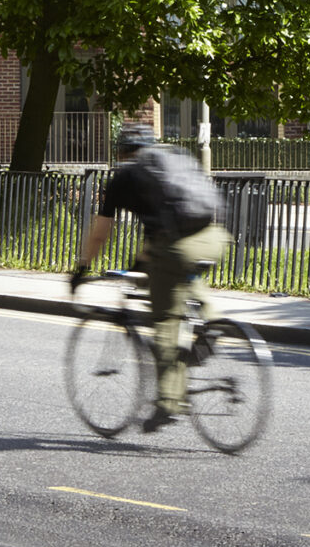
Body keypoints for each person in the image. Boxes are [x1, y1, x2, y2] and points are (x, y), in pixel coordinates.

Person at [71, 122, 230, 432]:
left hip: (175, 247)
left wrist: (81, 270)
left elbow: (100, 234)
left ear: (122, 152)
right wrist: (141, 262)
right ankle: (213, 322)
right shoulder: (177, 156)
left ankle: (169, 403)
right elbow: (161, 229)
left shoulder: (125, 177)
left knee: (166, 320)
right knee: (181, 274)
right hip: (214, 236)